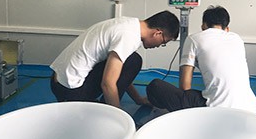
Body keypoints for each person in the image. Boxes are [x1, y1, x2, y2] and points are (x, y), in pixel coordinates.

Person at [50, 10, 179, 109]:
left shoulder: (129, 24)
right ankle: (103, 111)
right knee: (134, 61)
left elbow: (121, 72)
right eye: (163, 42)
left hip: (58, 82)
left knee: (131, 60)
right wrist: (118, 118)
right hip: (70, 91)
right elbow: (107, 83)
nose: (159, 46)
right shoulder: (129, 37)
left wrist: (138, 99)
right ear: (158, 33)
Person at [146, 5, 256, 113]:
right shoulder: (237, 39)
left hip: (216, 111)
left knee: (155, 86)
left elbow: (185, 87)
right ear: (227, 29)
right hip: (250, 109)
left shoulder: (194, 39)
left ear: (203, 26)